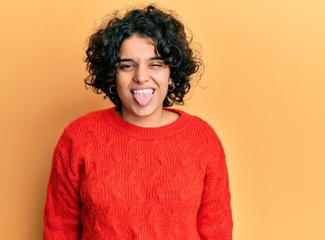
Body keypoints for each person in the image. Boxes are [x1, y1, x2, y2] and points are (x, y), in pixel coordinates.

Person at [43, 5, 233, 240]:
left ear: (171, 74)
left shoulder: (202, 139)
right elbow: (59, 230)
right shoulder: (78, 137)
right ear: (113, 76)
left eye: (156, 64)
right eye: (127, 65)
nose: (141, 77)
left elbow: (217, 232)